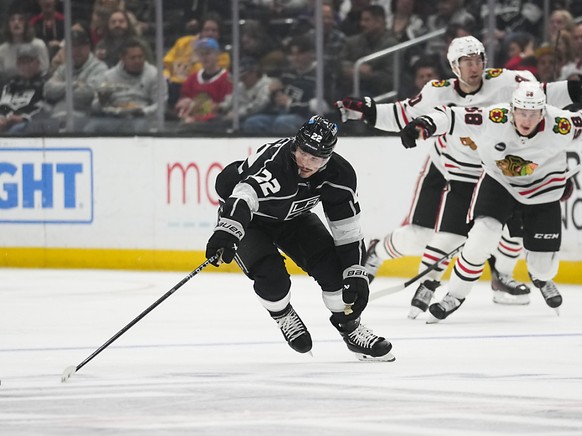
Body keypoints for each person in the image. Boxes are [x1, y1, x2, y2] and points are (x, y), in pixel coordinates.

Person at [335, 36, 581, 317]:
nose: (474, 67)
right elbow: (405, 113)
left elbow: (546, 97)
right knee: (420, 237)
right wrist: (368, 112)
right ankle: (378, 252)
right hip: (449, 171)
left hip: (495, 174)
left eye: (478, 60)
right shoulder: (437, 92)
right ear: (454, 66)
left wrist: (575, 91)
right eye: (467, 62)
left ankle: (502, 276)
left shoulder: (508, 83)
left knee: (510, 230)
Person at [205, 115, 395, 362]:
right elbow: (243, 197)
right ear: (296, 144)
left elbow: (347, 232)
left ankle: (351, 330)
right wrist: (227, 231)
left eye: (315, 158)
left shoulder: (340, 176)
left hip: (294, 218)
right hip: (249, 220)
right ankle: (283, 315)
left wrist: (355, 271)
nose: (305, 162)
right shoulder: (276, 161)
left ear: (327, 158)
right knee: (272, 279)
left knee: (335, 274)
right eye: (303, 152)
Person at [399, 81, 575, 322]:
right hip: (499, 184)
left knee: (543, 267)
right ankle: (454, 295)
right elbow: (451, 116)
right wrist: (424, 125)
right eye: (522, 112)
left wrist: (564, 179)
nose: (527, 119)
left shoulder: (562, 125)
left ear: (543, 112)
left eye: (533, 113)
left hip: (543, 192)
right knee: (482, 237)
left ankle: (542, 277)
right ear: (512, 109)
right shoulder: (494, 117)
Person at [84, 38, 166, 134]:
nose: (138, 61)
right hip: (113, 117)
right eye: (133, 58)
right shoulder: (109, 76)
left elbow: (161, 104)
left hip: (141, 117)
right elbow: (95, 107)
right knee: (91, 127)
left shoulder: (154, 74)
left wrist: (143, 111)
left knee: (140, 126)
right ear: (122, 58)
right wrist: (102, 101)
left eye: (140, 57)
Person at [44, 28, 107, 133]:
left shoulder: (99, 67)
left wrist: (60, 90)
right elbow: (48, 90)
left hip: (84, 118)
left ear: (88, 48)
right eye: (72, 47)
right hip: (56, 117)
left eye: (80, 46)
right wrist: (75, 84)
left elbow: (88, 93)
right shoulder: (63, 68)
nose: (75, 51)